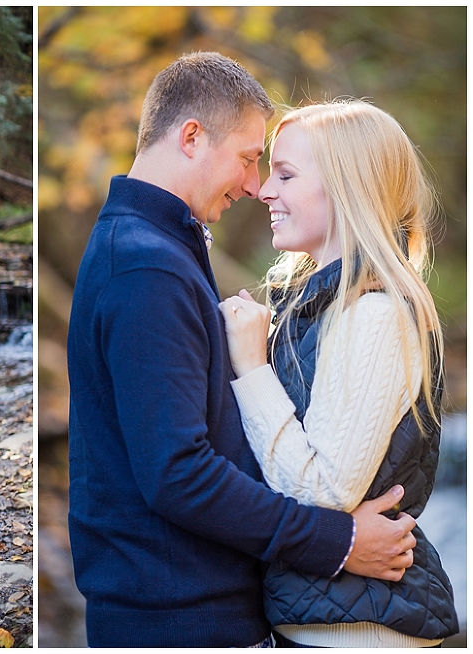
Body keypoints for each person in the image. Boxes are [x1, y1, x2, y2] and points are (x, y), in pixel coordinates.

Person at [66, 51, 418, 648]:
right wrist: (339, 542)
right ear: (192, 137)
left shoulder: (157, 249)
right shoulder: (146, 265)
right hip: (180, 623)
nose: (255, 186)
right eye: (251, 160)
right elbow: (177, 473)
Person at [218, 99, 459, 647]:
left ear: (348, 187)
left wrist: (251, 366)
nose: (263, 190)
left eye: (285, 175)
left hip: (357, 632)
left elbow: (322, 492)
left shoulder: (375, 315)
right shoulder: (314, 309)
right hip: (323, 619)